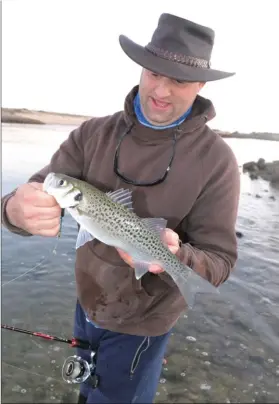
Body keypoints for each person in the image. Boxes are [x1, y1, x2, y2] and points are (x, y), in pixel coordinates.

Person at [1, 12, 240, 404]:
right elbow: (33, 191)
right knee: (87, 387)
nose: (160, 89)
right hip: (87, 302)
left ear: (200, 84)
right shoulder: (91, 134)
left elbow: (220, 262)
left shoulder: (218, 162)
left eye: (178, 79)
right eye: (153, 72)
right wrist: (13, 209)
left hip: (146, 321)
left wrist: (176, 256)